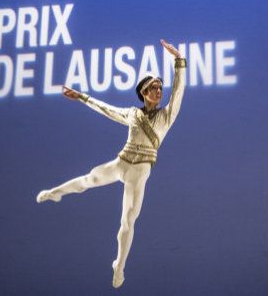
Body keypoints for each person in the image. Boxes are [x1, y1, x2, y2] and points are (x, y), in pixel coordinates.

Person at [36, 39, 186, 288]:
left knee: (127, 220)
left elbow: (179, 92)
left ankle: (119, 266)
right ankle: (56, 193)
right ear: (144, 92)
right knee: (88, 179)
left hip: (140, 172)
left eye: (161, 87)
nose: (159, 91)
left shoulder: (166, 117)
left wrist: (179, 62)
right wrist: (82, 97)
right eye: (154, 87)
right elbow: (107, 109)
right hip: (122, 162)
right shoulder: (133, 113)